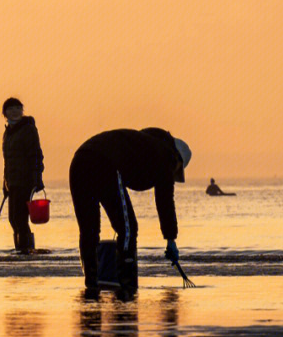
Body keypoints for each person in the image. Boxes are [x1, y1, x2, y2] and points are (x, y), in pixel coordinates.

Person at [68, 128, 191, 298]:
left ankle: (92, 282)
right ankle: (126, 281)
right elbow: (165, 202)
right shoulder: (165, 156)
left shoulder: (144, 142)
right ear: (177, 158)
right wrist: (171, 239)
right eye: (177, 169)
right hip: (104, 163)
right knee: (128, 228)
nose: (173, 173)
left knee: (89, 229)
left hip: (79, 161)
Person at [0, 98, 44, 253]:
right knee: (13, 219)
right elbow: (7, 161)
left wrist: (37, 179)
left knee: (20, 219)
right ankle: (20, 248)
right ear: (5, 113)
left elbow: (36, 155)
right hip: (12, 183)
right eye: (11, 108)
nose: (15, 111)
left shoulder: (28, 129)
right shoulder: (8, 133)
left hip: (25, 181)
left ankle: (26, 249)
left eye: (18, 108)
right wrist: (4, 185)